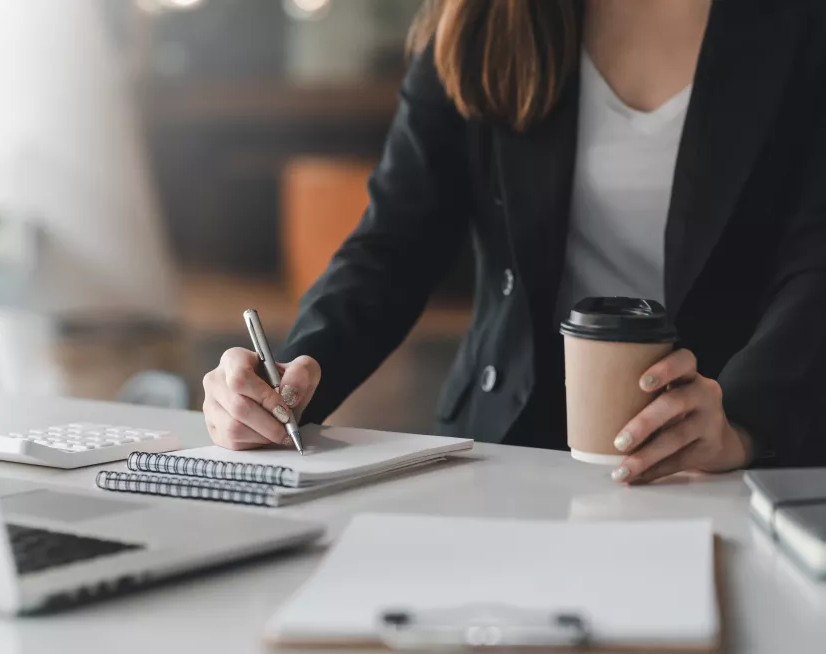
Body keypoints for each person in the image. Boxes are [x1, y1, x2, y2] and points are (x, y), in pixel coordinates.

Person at [203, 0, 826, 483]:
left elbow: (815, 259)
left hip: (726, 442)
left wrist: (745, 419)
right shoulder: (485, 17)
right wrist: (284, 382)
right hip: (509, 449)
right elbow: (392, 245)